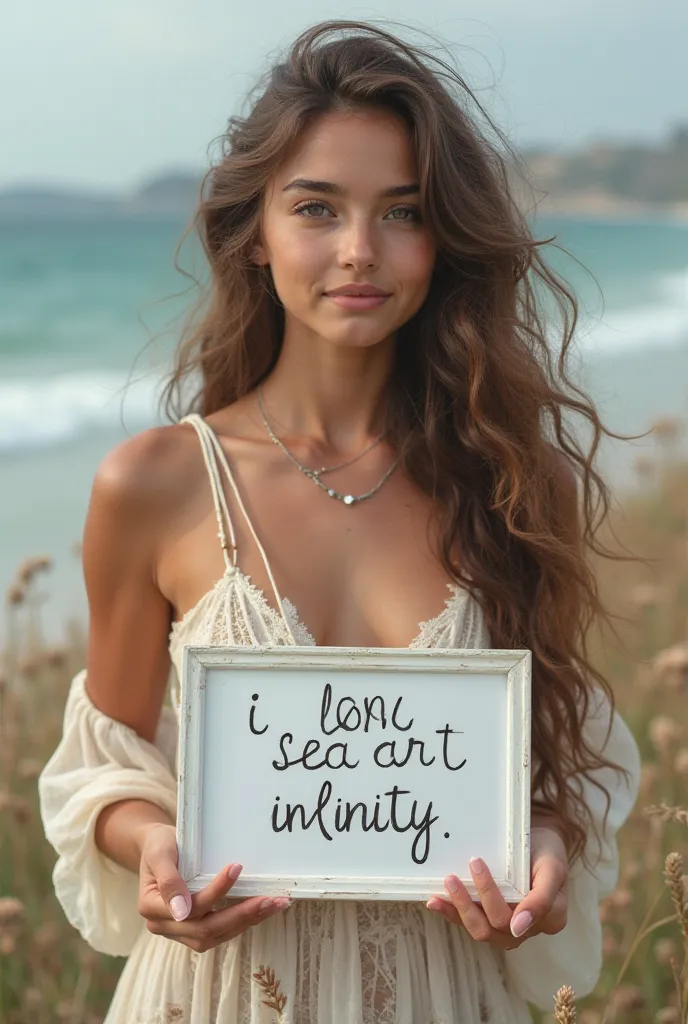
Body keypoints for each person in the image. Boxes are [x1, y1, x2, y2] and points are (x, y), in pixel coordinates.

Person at [38, 19, 641, 1024]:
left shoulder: (503, 479)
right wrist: (150, 845)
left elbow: (542, 766)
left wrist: (540, 849)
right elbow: (107, 764)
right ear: (255, 230)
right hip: (217, 992)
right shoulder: (156, 482)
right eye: (316, 207)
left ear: (442, 237)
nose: (359, 250)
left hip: (440, 991)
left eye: (401, 211)